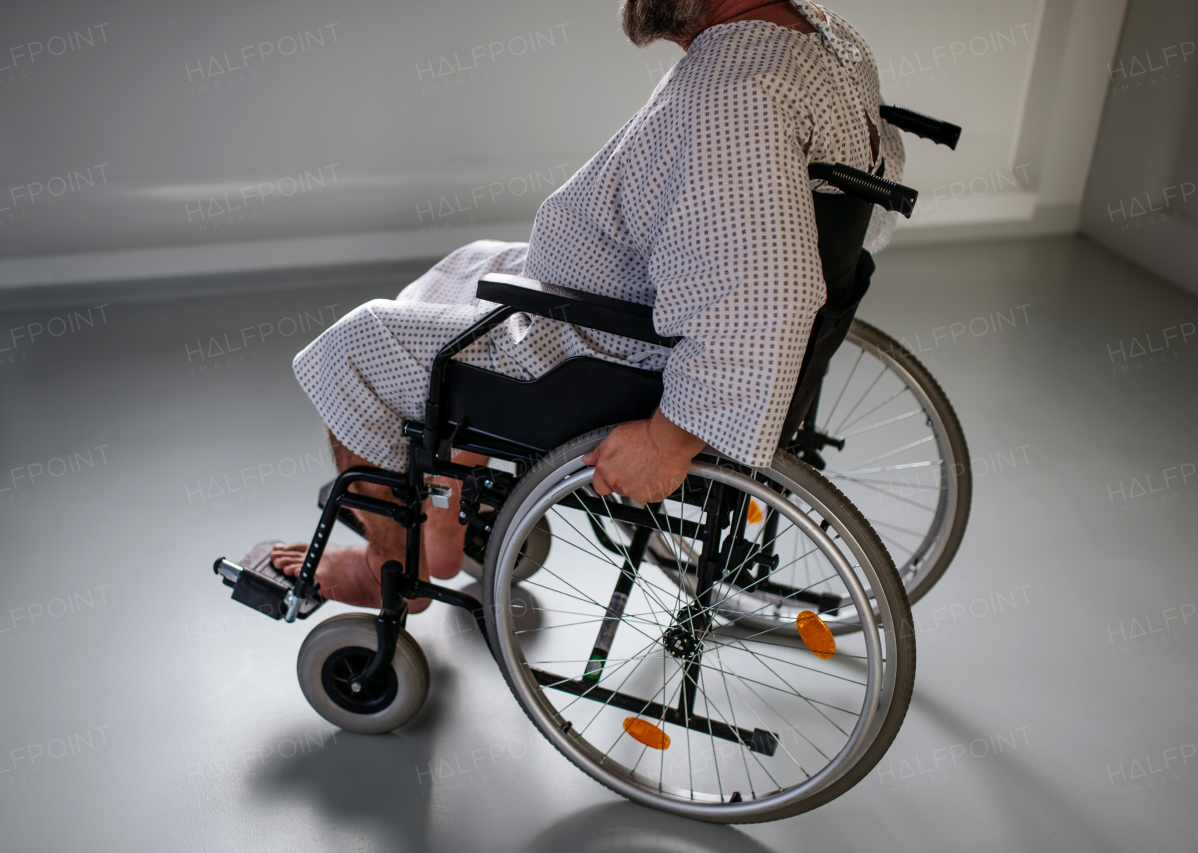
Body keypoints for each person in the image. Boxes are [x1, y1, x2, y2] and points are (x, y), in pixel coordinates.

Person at [271, 0, 905, 609]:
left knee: (352, 348)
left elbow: (759, 295)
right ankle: (441, 517)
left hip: (602, 351)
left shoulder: (731, 93)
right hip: (625, 301)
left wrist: (670, 438)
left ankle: (390, 569)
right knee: (473, 262)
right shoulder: (821, 38)